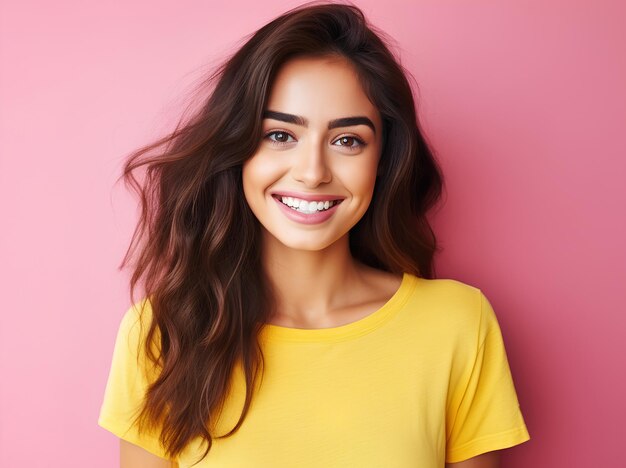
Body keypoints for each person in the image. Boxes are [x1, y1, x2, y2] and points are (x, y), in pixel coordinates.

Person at [97, 2, 531, 467]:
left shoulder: (457, 324)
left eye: (347, 140)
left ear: (382, 163)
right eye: (280, 135)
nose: (312, 173)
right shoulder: (163, 333)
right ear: (238, 148)